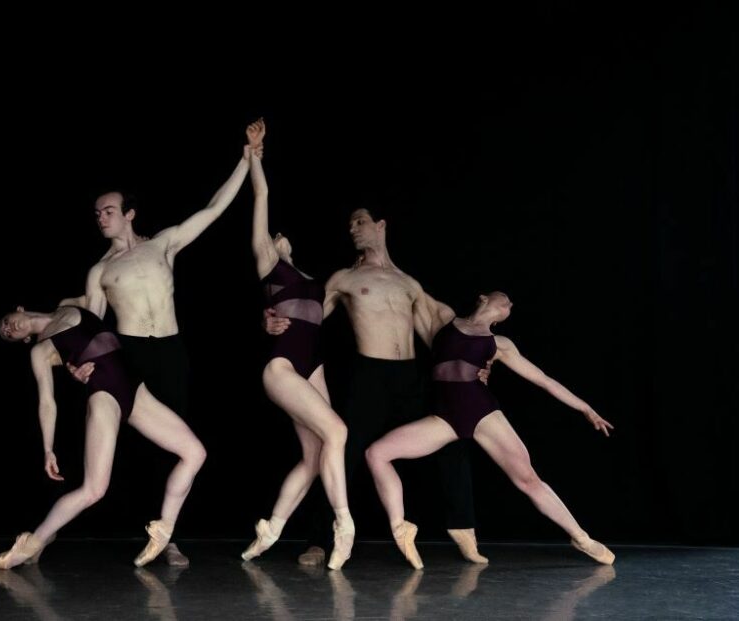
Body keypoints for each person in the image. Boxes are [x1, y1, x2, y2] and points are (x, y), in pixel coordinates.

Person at [69, 122, 259, 564]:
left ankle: (169, 533)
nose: (102, 217)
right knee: (144, 449)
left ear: (129, 213)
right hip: (130, 354)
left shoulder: (163, 245)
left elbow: (213, 209)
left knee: (180, 444)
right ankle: (151, 532)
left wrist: (247, 160)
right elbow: (93, 327)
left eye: (109, 210)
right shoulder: (100, 271)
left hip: (171, 351)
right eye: (97, 213)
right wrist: (77, 365)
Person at [265, 207, 487, 565]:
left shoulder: (409, 283)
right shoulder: (344, 279)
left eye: (360, 221)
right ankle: (319, 540)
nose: (353, 228)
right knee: (339, 450)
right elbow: (303, 309)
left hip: (411, 377)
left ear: (381, 225)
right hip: (369, 377)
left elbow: (441, 332)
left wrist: (477, 363)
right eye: (350, 224)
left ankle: (464, 529)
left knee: (452, 437)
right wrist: (272, 319)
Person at [365, 291, 615, 568]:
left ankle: (581, 537)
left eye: (511, 305)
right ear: (483, 298)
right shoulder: (445, 319)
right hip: (444, 419)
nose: (511, 303)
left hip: (482, 413)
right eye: (505, 298)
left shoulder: (499, 344)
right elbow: (408, 289)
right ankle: (401, 528)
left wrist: (586, 408)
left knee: (528, 480)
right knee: (377, 453)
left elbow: (543, 380)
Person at [0, 303, 206, 569]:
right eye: (8, 333)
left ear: (19, 309)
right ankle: (30, 545)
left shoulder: (69, 304)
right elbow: (47, 402)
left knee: (195, 453)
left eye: (7, 322)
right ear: (23, 339)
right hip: (104, 395)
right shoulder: (40, 350)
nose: (10, 328)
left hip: (134, 388)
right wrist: (48, 448)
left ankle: (163, 530)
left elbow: (103, 290)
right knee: (94, 489)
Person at [239, 119, 355, 570]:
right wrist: (255, 155)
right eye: (273, 234)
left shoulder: (306, 279)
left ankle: (269, 530)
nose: (278, 235)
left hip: (312, 366)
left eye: (281, 235)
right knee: (339, 432)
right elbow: (262, 198)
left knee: (314, 456)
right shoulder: (268, 262)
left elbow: (312, 325)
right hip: (281, 370)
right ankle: (344, 525)